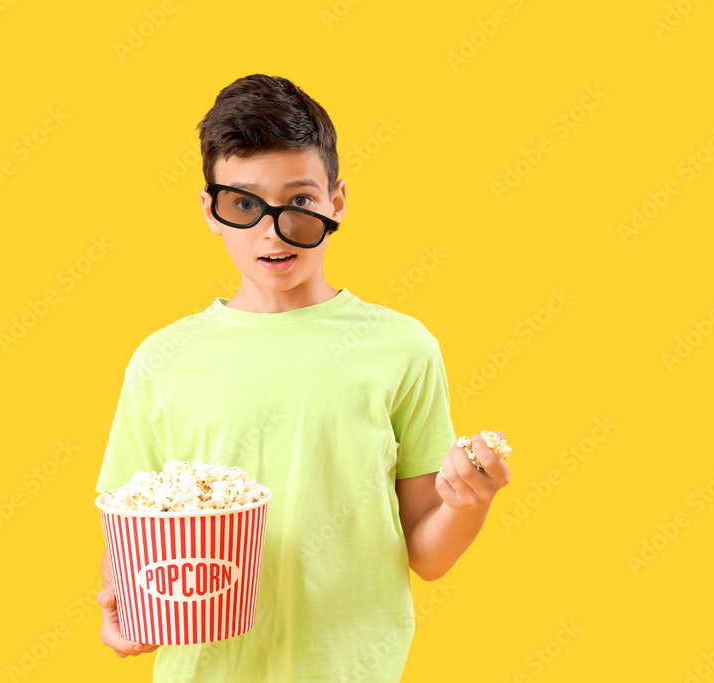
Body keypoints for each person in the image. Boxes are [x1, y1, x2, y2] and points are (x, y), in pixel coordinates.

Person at [95, 73, 511, 682]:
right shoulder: (163, 359)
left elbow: (426, 552)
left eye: (301, 203)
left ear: (336, 202)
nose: (273, 231)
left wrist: (470, 504)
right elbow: (131, 535)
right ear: (211, 209)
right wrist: (124, 607)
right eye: (244, 205)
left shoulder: (401, 348)